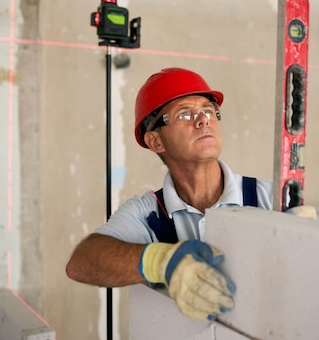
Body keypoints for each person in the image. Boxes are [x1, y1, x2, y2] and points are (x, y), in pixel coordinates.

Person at [65, 67, 275, 322]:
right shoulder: (149, 215)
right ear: (155, 142)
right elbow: (82, 262)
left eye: (208, 110)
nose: (203, 120)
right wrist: (161, 262)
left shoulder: (270, 197)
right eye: (185, 114)